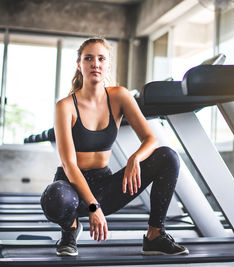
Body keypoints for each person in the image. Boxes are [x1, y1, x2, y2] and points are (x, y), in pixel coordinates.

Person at [40, 37, 189, 257]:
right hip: (72, 187)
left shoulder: (120, 96)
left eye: (101, 59)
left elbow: (151, 139)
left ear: (108, 64)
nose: (95, 64)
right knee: (55, 197)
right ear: (79, 64)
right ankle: (69, 230)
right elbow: (69, 165)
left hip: (105, 186)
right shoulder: (65, 106)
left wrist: (135, 158)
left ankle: (155, 236)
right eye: (88, 58)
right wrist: (93, 207)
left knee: (168, 156)